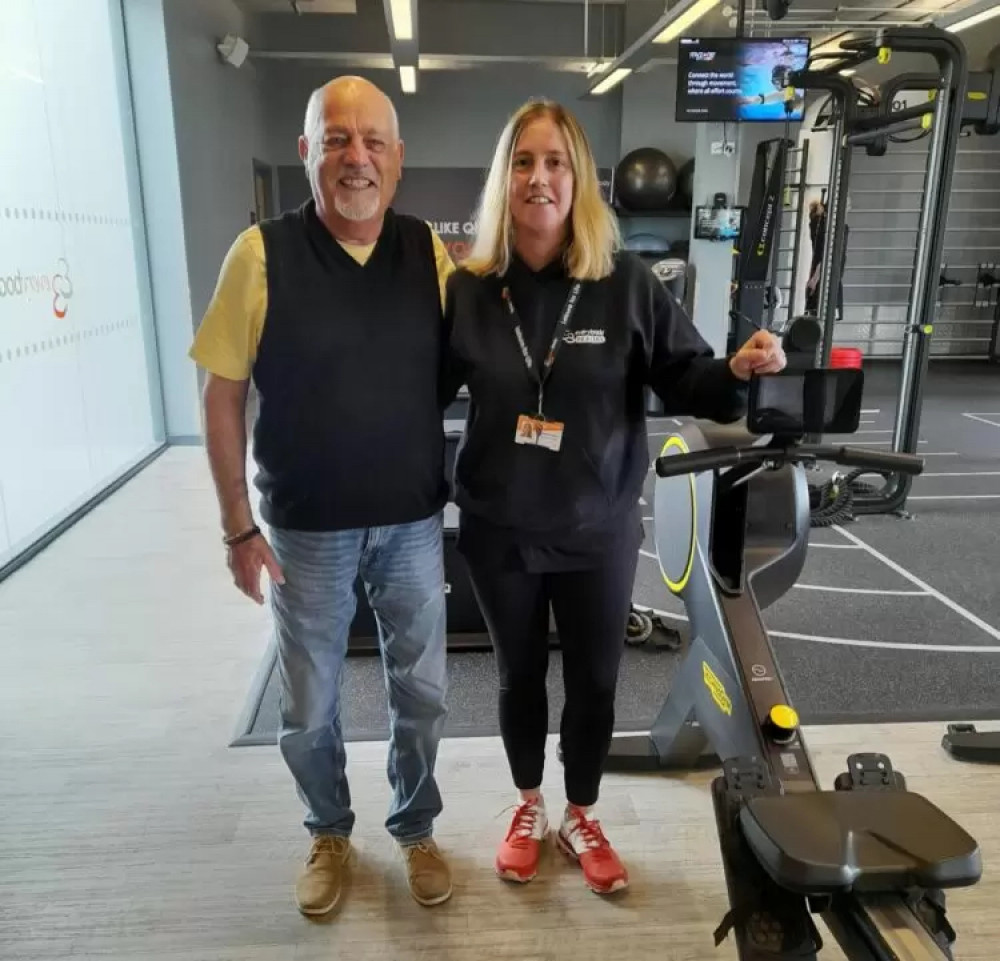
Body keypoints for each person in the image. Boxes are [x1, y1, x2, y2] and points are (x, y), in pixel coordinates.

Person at [442, 99, 786, 896]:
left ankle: (582, 811)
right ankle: (529, 803)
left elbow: (689, 379)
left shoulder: (623, 284)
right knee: (517, 676)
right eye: (523, 161)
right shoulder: (470, 290)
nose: (539, 177)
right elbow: (417, 393)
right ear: (505, 179)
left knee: (596, 679)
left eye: (556, 161)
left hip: (596, 526)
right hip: (498, 528)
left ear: (579, 179)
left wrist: (734, 372)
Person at [189, 76, 456, 917]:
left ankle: (415, 825)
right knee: (309, 703)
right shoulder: (259, 253)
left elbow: (488, 355)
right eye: (336, 139)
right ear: (307, 152)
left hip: (412, 520)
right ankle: (329, 828)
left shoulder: (429, 253)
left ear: (399, 159)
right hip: (306, 530)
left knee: (424, 691)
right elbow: (221, 392)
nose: (357, 157)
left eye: (373, 140)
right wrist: (238, 527)